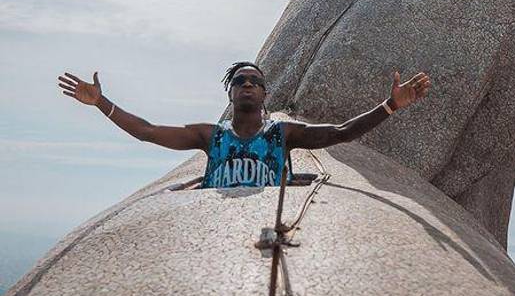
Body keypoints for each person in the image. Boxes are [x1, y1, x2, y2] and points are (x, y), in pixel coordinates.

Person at [57, 63, 430, 189]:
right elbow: (148, 131)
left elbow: (340, 132)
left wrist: (391, 106)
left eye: (254, 81)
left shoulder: (282, 135)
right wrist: (101, 103)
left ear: (265, 93)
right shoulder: (210, 136)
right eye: (239, 81)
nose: (247, 84)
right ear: (230, 93)